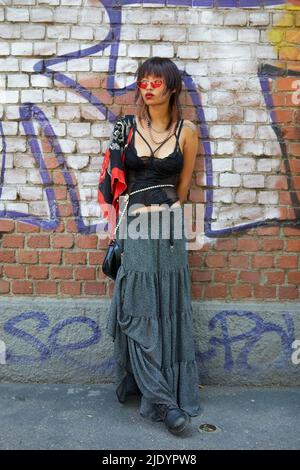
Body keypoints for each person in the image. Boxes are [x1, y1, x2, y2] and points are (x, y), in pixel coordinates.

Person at [100, 57, 201, 435]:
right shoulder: (123, 128)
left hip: (170, 228)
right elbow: (113, 185)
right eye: (143, 80)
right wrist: (119, 226)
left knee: (166, 306)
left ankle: (166, 392)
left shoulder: (187, 131)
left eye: (157, 80)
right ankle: (164, 402)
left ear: (172, 87)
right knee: (137, 310)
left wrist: (171, 210)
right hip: (136, 227)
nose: (148, 86)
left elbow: (184, 185)